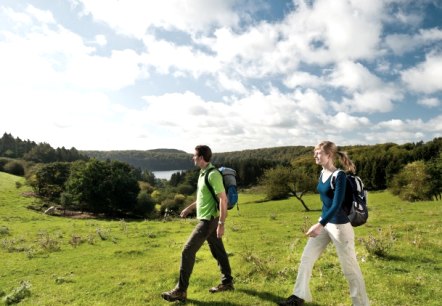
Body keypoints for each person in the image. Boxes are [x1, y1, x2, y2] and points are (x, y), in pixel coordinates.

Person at [278, 141, 369, 306]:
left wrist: (319, 224)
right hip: (325, 222)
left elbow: (336, 205)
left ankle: (362, 304)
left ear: (329, 155)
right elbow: (326, 204)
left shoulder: (339, 175)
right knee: (307, 258)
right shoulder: (322, 173)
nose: (315, 155)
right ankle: (298, 297)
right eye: (315, 152)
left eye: (318, 153)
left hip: (340, 227)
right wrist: (321, 222)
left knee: (350, 268)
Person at [161, 145, 234, 303]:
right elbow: (203, 197)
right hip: (208, 219)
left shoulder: (213, 174)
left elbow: (223, 199)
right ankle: (227, 282)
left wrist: (221, 223)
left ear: (201, 158)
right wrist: (189, 208)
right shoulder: (203, 173)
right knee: (219, 251)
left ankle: (180, 290)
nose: (192, 158)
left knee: (187, 251)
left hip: (209, 220)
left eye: (194, 155)